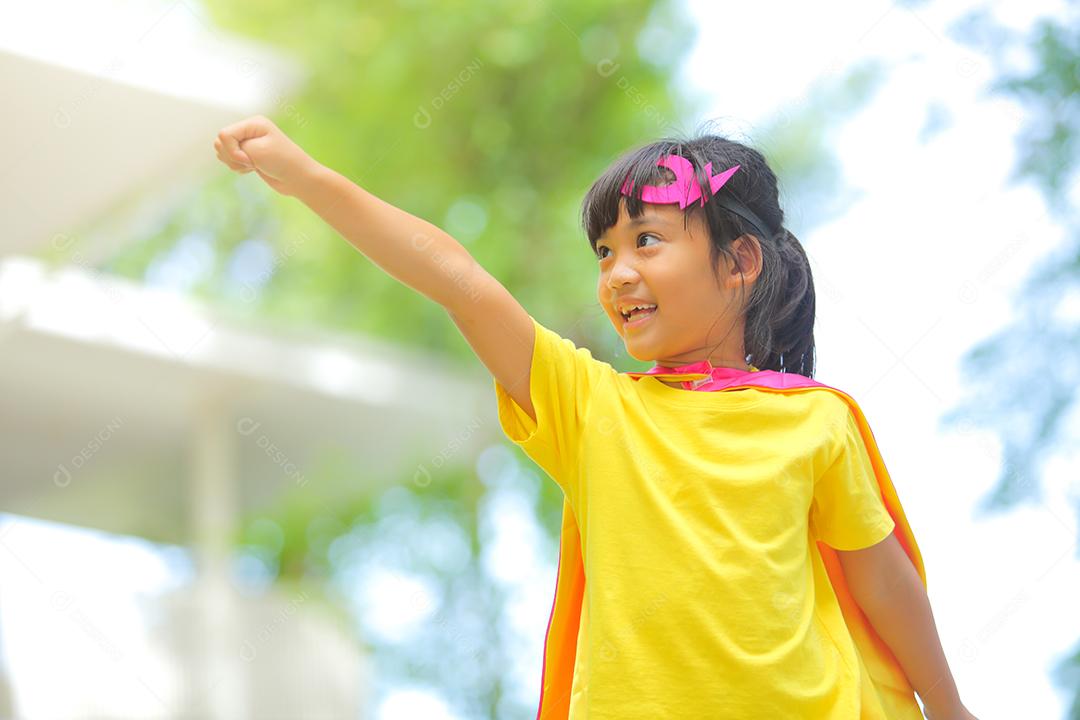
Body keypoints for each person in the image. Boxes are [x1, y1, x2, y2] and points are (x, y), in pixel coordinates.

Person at [214, 117, 978, 720]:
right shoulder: (592, 407)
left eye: (647, 240)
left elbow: (885, 586)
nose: (618, 273)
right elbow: (458, 280)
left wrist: (951, 710)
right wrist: (309, 180)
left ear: (740, 263)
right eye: (605, 252)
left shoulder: (816, 421)